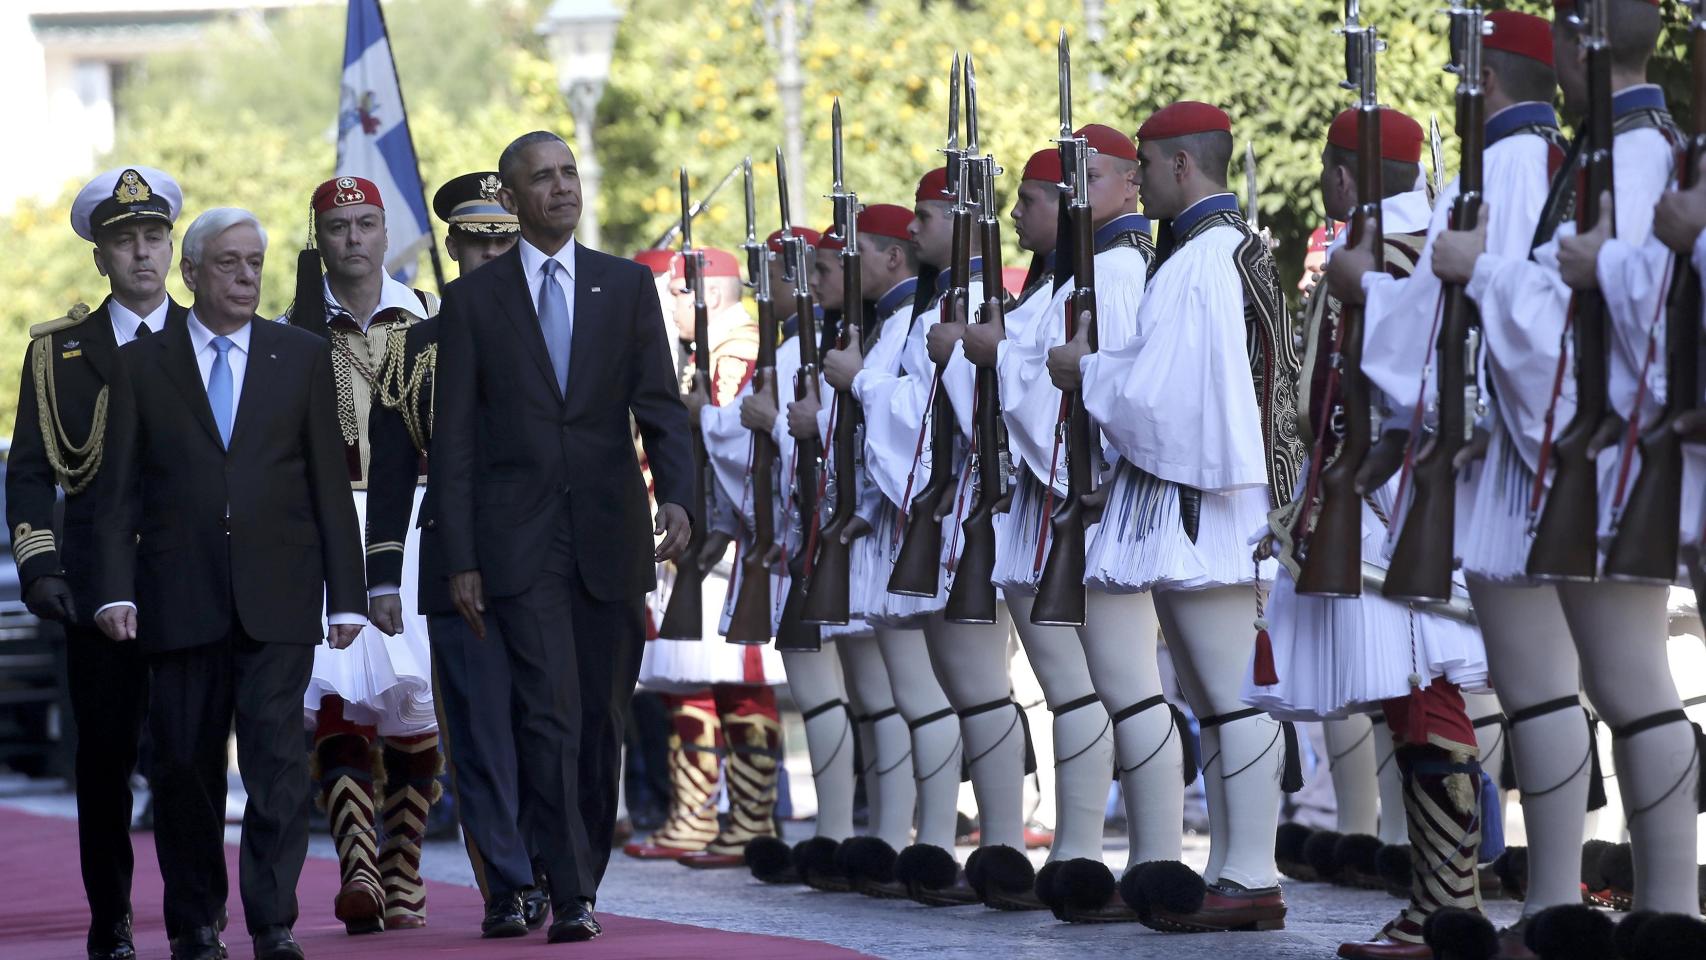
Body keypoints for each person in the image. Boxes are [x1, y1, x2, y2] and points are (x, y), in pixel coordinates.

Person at [431, 130, 695, 944]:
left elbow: (659, 406)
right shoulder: (474, 300)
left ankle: (574, 868)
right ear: (510, 199)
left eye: (568, 173)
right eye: (541, 179)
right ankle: (569, 892)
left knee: (602, 721)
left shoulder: (623, 287)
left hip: (611, 536)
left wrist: (683, 498)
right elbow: (457, 441)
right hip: (519, 543)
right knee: (547, 712)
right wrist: (461, 557)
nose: (561, 188)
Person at [1048, 101, 1302, 933]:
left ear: (1182, 166)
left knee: (1231, 699)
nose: (1144, 181)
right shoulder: (1214, 251)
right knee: (1214, 696)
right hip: (1211, 502)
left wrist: (1087, 371)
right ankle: (1231, 868)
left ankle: (1252, 873)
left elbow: (1162, 399)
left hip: (1212, 508)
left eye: (1150, 166)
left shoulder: (1201, 261)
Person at [92, 206, 368, 960]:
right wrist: (116, 590)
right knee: (184, 766)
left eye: (255, 263)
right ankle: (193, 923)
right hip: (178, 597)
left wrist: (347, 594)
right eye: (229, 263)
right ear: (191, 271)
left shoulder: (301, 355)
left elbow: (327, 484)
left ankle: (273, 921)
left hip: (279, 594)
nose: (247, 277)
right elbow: (118, 492)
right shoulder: (143, 362)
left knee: (279, 765)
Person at [1253, 105, 1493, 959]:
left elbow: (1406, 386)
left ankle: (1446, 910)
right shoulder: (1413, 240)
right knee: (1414, 700)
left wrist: (1349, 485)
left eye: (1326, 166)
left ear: (1346, 177)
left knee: (1423, 698)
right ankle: (1441, 904)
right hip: (1385, 501)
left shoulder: (1392, 255)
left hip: (1394, 503)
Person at [959, 134, 1146, 913]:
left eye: (1028, 200)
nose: (1017, 215)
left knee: (1111, 693)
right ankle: (1071, 853)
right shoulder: (1062, 280)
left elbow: (1089, 392)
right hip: (1048, 504)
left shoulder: (1118, 270)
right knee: (1076, 693)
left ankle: (1119, 857)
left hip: (1087, 503)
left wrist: (996, 357)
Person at [364, 170, 551, 935]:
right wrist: (380, 575)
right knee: (476, 732)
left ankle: (555, 869)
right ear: (453, 248)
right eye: (476, 246)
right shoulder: (413, 349)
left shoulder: (557, 331)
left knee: (550, 725)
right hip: (457, 562)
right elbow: (389, 472)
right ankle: (506, 883)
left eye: (503, 244)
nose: (490, 258)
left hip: (548, 560)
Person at [7, 165, 184, 960]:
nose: (141, 253)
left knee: (187, 757)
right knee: (105, 763)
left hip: (190, 584)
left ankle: (195, 914)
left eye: (153, 237)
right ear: (100, 258)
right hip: (90, 588)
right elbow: (32, 473)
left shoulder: (207, 337)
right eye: (123, 241)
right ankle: (109, 917)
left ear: (172, 247)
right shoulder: (58, 354)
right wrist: (44, 570)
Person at [279, 175, 442, 936]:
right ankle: (358, 866)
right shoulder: (291, 328)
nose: (353, 238)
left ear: (386, 233)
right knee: (340, 696)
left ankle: (405, 869)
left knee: (415, 704)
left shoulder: (430, 318)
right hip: (328, 525)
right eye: (338, 226)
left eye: (366, 224)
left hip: (410, 522)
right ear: (320, 237)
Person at [627, 244, 787, 864]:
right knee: (694, 676)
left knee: (739, 679)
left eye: (671, 293)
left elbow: (734, 438)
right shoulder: (707, 352)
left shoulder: (739, 349)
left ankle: (747, 819)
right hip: (702, 539)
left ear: (708, 292)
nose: (665, 307)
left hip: (732, 536)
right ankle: (696, 812)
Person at [822, 202, 958, 898]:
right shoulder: (893, 321)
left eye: (850, 257)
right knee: (901, 699)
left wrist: (858, 385)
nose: (839, 273)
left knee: (933, 697)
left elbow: (917, 416)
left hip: (914, 520)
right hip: (885, 521)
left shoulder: (912, 319)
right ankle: (901, 840)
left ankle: (934, 843)